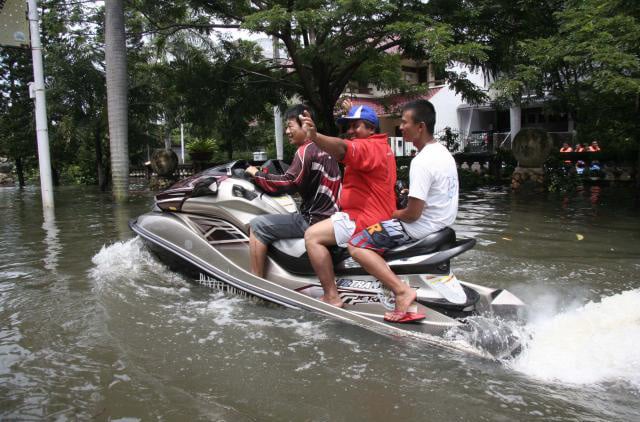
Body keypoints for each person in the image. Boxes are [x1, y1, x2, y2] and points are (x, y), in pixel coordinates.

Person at [346, 100, 459, 323]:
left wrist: (391, 213)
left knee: (356, 245)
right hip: (441, 224)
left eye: (405, 122)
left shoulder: (422, 161)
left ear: (420, 126)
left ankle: (401, 291)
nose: (401, 127)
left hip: (418, 227)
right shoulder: (444, 154)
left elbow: (412, 214)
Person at [300, 105, 397, 307]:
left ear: (371, 128)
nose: (351, 131)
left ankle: (331, 296)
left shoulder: (367, 147)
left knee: (312, 236)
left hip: (363, 218)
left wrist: (315, 136)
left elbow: (343, 148)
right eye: (348, 126)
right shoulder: (382, 147)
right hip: (377, 216)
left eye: (356, 126)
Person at [245, 104, 341, 278]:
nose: (287, 132)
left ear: (305, 125)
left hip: (314, 219)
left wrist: (256, 174)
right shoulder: (327, 148)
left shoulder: (305, 151)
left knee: (257, 226)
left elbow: (288, 183)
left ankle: (256, 284)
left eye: (290, 127)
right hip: (331, 218)